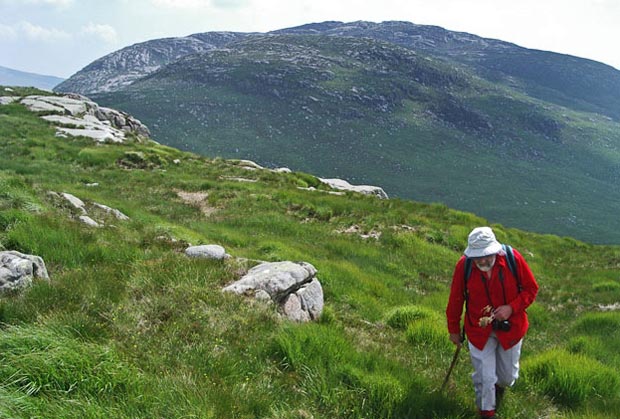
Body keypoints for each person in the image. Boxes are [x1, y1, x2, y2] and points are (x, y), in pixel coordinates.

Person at [446, 227, 539, 419]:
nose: (482, 260)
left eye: (486, 255)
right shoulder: (464, 266)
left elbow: (531, 289)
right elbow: (456, 299)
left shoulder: (513, 259)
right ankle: (486, 412)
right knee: (484, 377)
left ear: (495, 251)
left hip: (511, 329)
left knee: (507, 378)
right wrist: (453, 329)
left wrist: (511, 308)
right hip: (478, 331)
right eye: (477, 256)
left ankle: (497, 388)